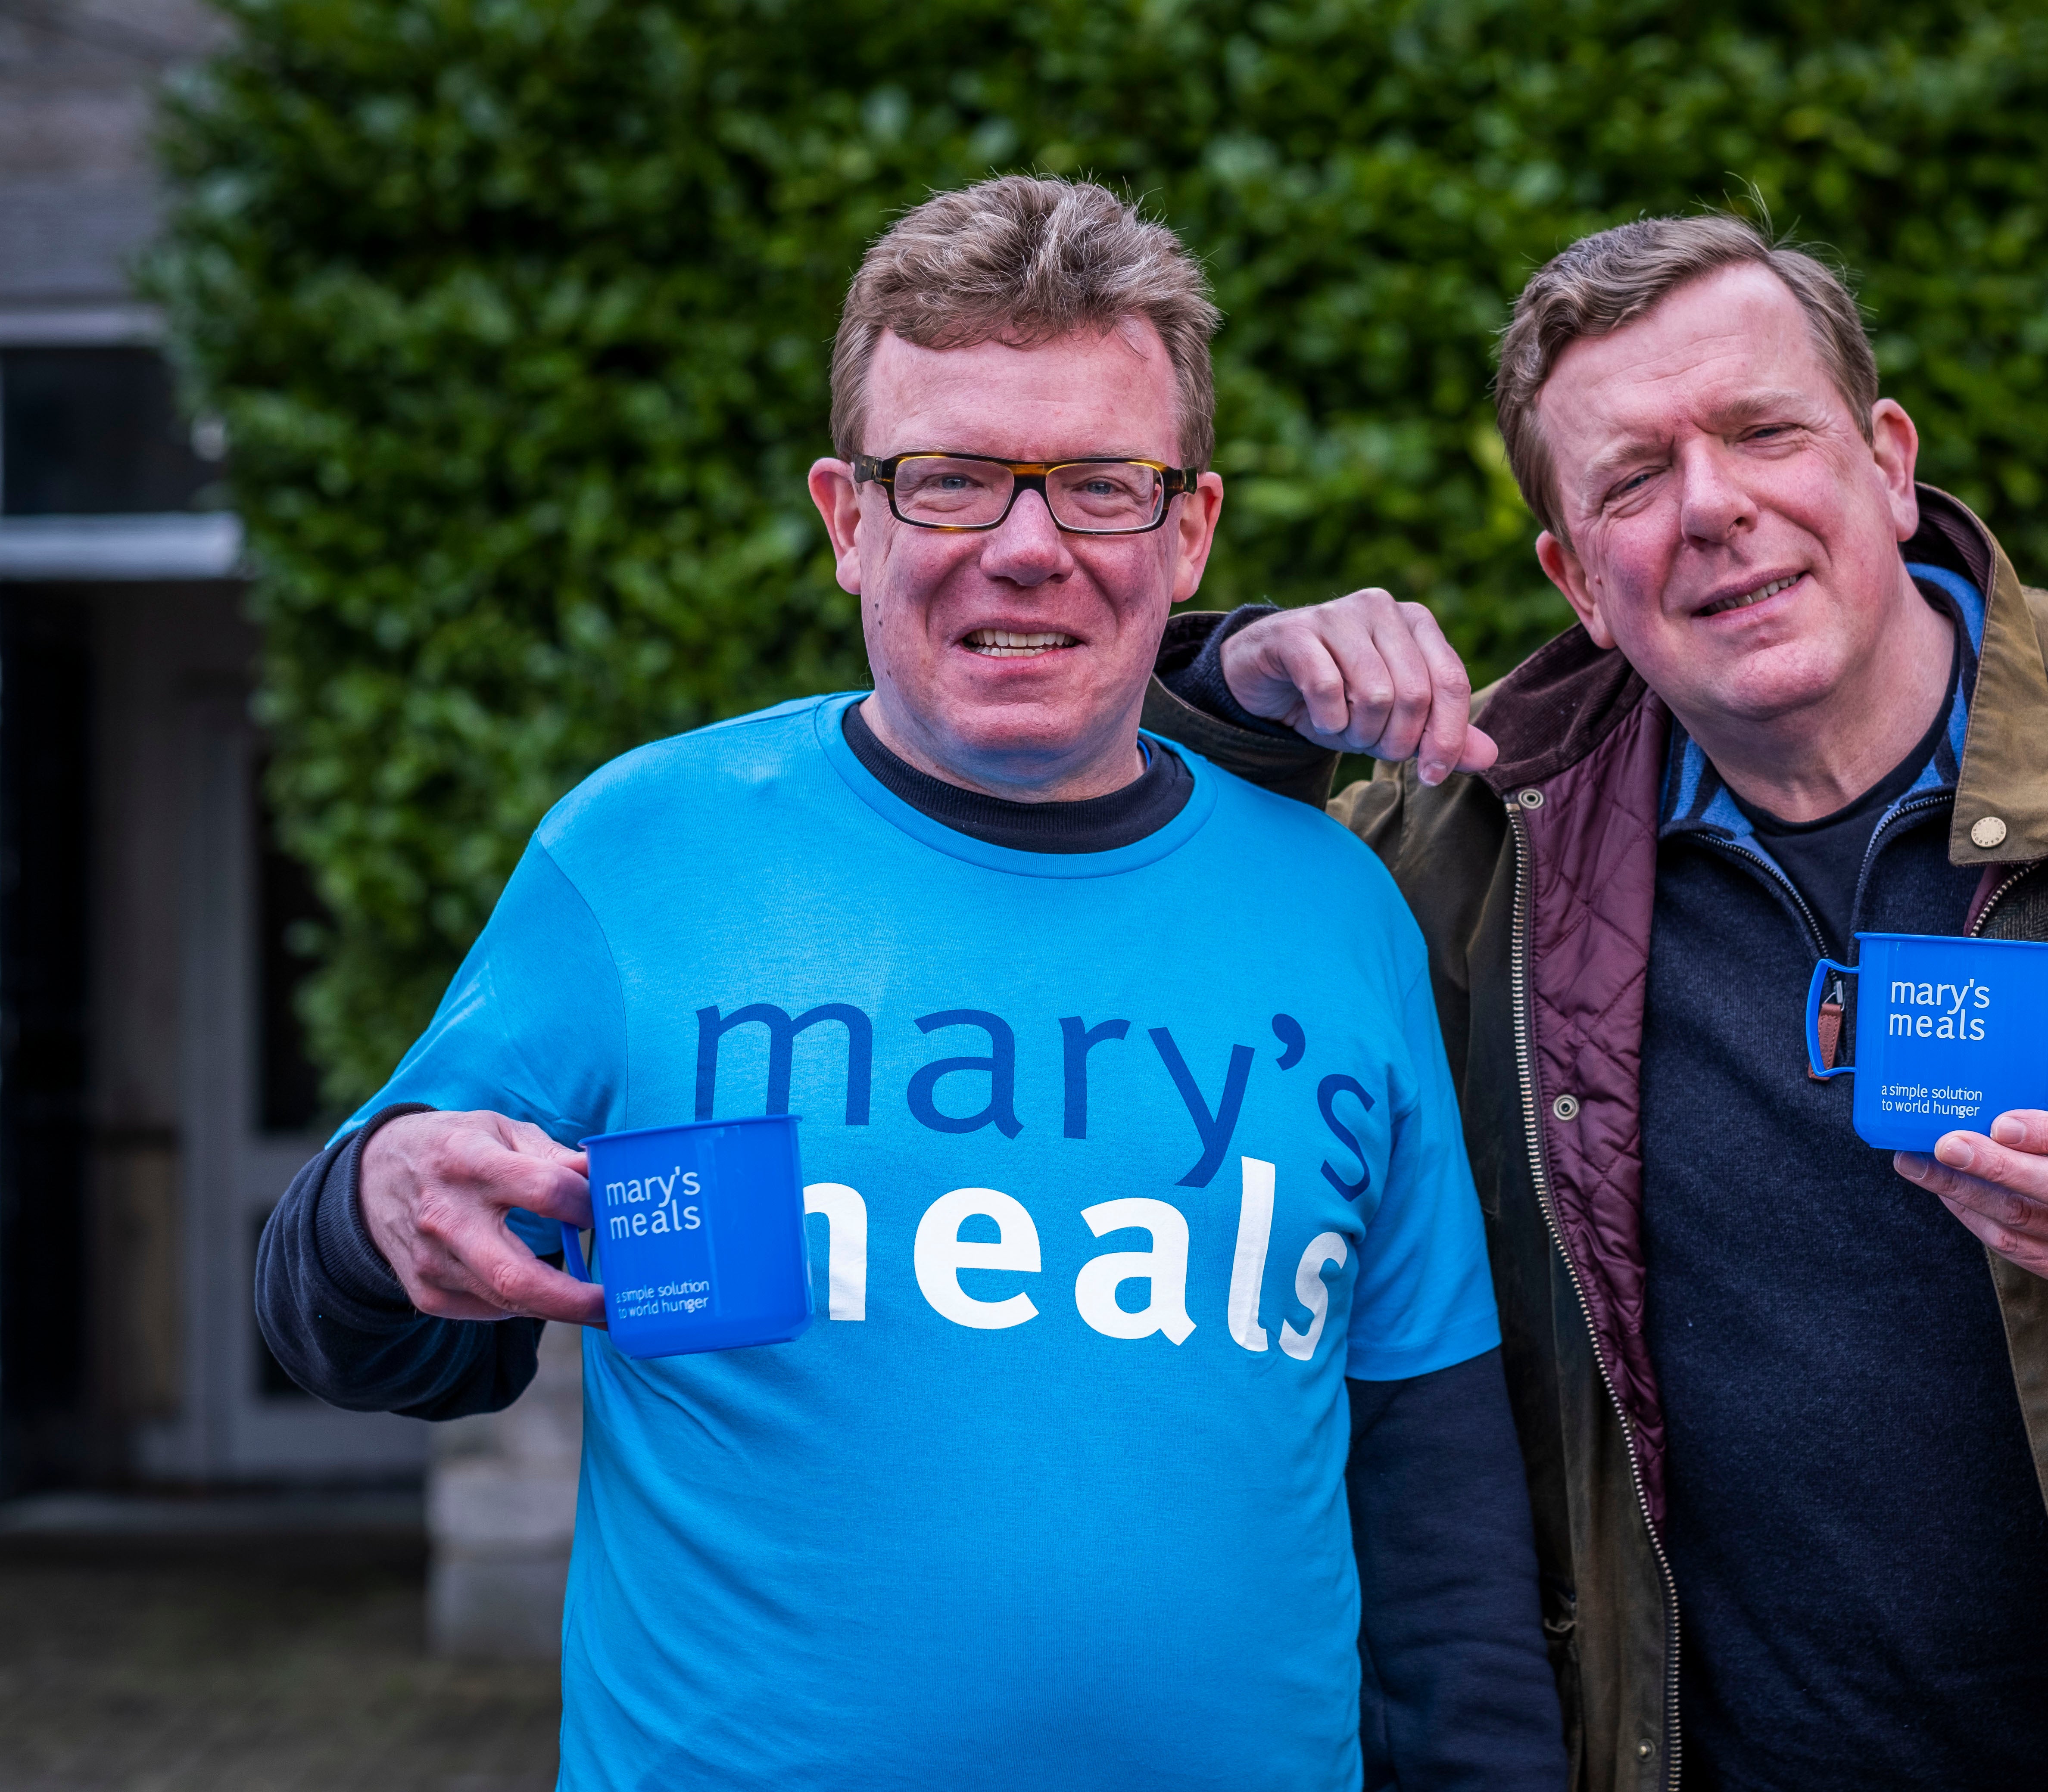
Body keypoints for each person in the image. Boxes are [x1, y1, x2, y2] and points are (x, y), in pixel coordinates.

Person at [1138, 214, 2048, 1790]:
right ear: (1578, 580)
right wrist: (1238, 691)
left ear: (1888, 459)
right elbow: (1145, 934)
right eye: (1634, 483)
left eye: (1762, 432)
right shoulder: (1468, 859)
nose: (1714, 508)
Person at [255, 175, 1563, 1792]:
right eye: (949, 481)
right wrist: (375, 1205)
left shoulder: (1336, 907)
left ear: (1191, 528)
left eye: (1099, 486)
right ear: (847, 519)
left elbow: (1437, 1514)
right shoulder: (638, 853)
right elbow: (390, 1334)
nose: (1027, 549)